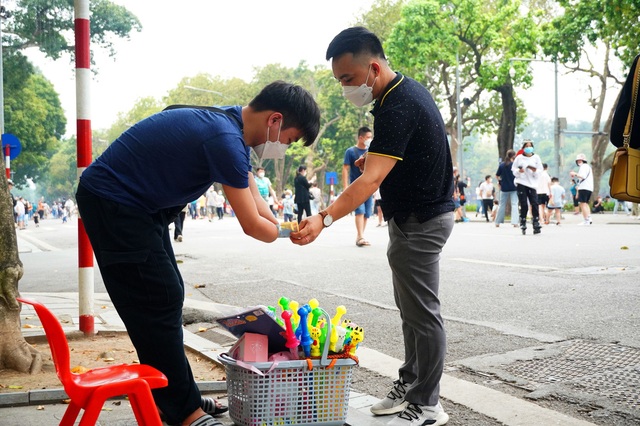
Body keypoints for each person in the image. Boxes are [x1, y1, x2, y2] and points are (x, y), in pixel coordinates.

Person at [75, 81, 320, 426]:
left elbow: (255, 198)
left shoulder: (229, 125)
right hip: (115, 203)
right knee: (156, 299)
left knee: (165, 297)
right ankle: (184, 412)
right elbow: (252, 225)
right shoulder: (224, 139)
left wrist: (282, 225)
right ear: (275, 120)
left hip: (139, 206)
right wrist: (288, 234)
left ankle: (177, 397)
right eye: (290, 140)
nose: (284, 147)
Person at [291, 27, 454, 426]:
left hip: (423, 218)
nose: (345, 88)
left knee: (423, 313)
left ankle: (428, 403)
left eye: (347, 79)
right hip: (411, 215)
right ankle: (411, 384)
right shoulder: (398, 94)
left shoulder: (398, 103)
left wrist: (324, 218)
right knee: (411, 310)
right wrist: (377, 158)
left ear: (373, 68)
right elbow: (409, 150)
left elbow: (368, 183)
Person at [343, 126, 375, 246]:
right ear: (360, 138)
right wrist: (346, 186)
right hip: (356, 186)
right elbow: (345, 169)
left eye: (371, 137)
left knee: (367, 213)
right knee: (360, 210)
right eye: (368, 137)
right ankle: (360, 236)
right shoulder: (350, 152)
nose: (369, 139)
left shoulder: (371, 151)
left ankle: (360, 235)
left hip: (370, 186)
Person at [511, 140, 543, 234]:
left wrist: (534, 170)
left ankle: (536, 221)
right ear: (523, 148)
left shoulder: (536, 157)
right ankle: (523, 220)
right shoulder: (519, 158)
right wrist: (518, 171)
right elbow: (513, 169)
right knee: (524, 203)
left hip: (532, 183)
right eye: (527, 146)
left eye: (530, 146)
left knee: (534, 203)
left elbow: (540, 170)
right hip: (521, 182)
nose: (528, 148)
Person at [495, 149, 518, 228]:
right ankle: (515, 222)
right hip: (514, 187)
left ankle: (497, 222)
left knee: (502, 205)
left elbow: (497, 175)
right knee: (514, 204)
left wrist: (500, 182)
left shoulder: (502, 165)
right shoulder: (514, 165)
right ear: (513, 156)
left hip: (504, 188)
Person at [570, 153, 594, 226]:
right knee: (585, 204)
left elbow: (582, 176)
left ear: (584, 160)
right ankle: (589, 218)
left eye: (580, 160)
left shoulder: (584, 167)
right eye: (578, 160)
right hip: (588, 187)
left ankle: (586, 220)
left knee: (582, 204)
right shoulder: (587, 167)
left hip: (584, 187)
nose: (579, 161)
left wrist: (575, 174)